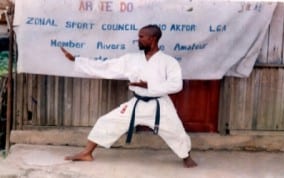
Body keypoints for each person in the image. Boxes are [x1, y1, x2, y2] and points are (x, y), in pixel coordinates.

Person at [60, 24, 197, 168]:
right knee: (106, 121)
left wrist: (149, 86)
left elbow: (176, 85)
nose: (138, 40)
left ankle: (186, 157)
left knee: (176, 131)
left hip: (160, 105)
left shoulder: (169, 62)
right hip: (137, 103)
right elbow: (106, 66)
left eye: (141, 37)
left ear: (153, 38)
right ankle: (87, 153)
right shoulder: (131, 59)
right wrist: (77, 60)